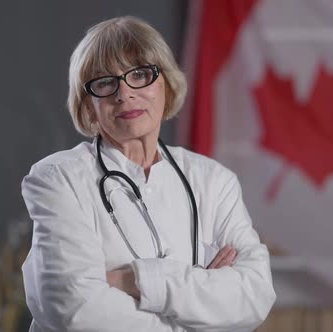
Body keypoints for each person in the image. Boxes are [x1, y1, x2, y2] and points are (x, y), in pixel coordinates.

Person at [21, 16, 276, 332]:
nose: (124, 93)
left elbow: (253, 297)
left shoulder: (214, 181)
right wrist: (200, 302)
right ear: (88, 107)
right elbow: (74, 310)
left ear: (166, 84)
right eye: (104, 82)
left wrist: (133, 280)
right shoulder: (57, 179)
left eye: (140, 74)